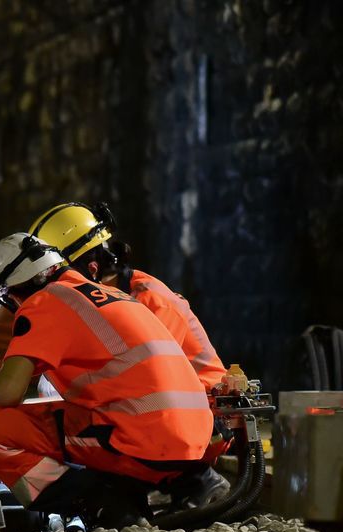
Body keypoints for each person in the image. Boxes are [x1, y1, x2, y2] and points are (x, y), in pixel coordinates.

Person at [0, 234, 214, 528]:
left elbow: (4, 395)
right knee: (85, 418)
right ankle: (186, 483)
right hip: (197, 441)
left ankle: (100, 503)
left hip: (142, 444)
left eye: (7, 299)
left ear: (16, 289)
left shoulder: (43, 303)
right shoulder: (114, 295)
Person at [30, 202, 231, 505]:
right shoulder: (105, 300)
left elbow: (156, 384)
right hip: (163, 417)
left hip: (200, 422)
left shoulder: (149, 299)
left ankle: (182, 479)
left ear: (86, 265)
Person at [28, 202, 225, 389]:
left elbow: (151, 374)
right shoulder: (100, 303)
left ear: (88, 267)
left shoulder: (153, 302)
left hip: (206, 404)